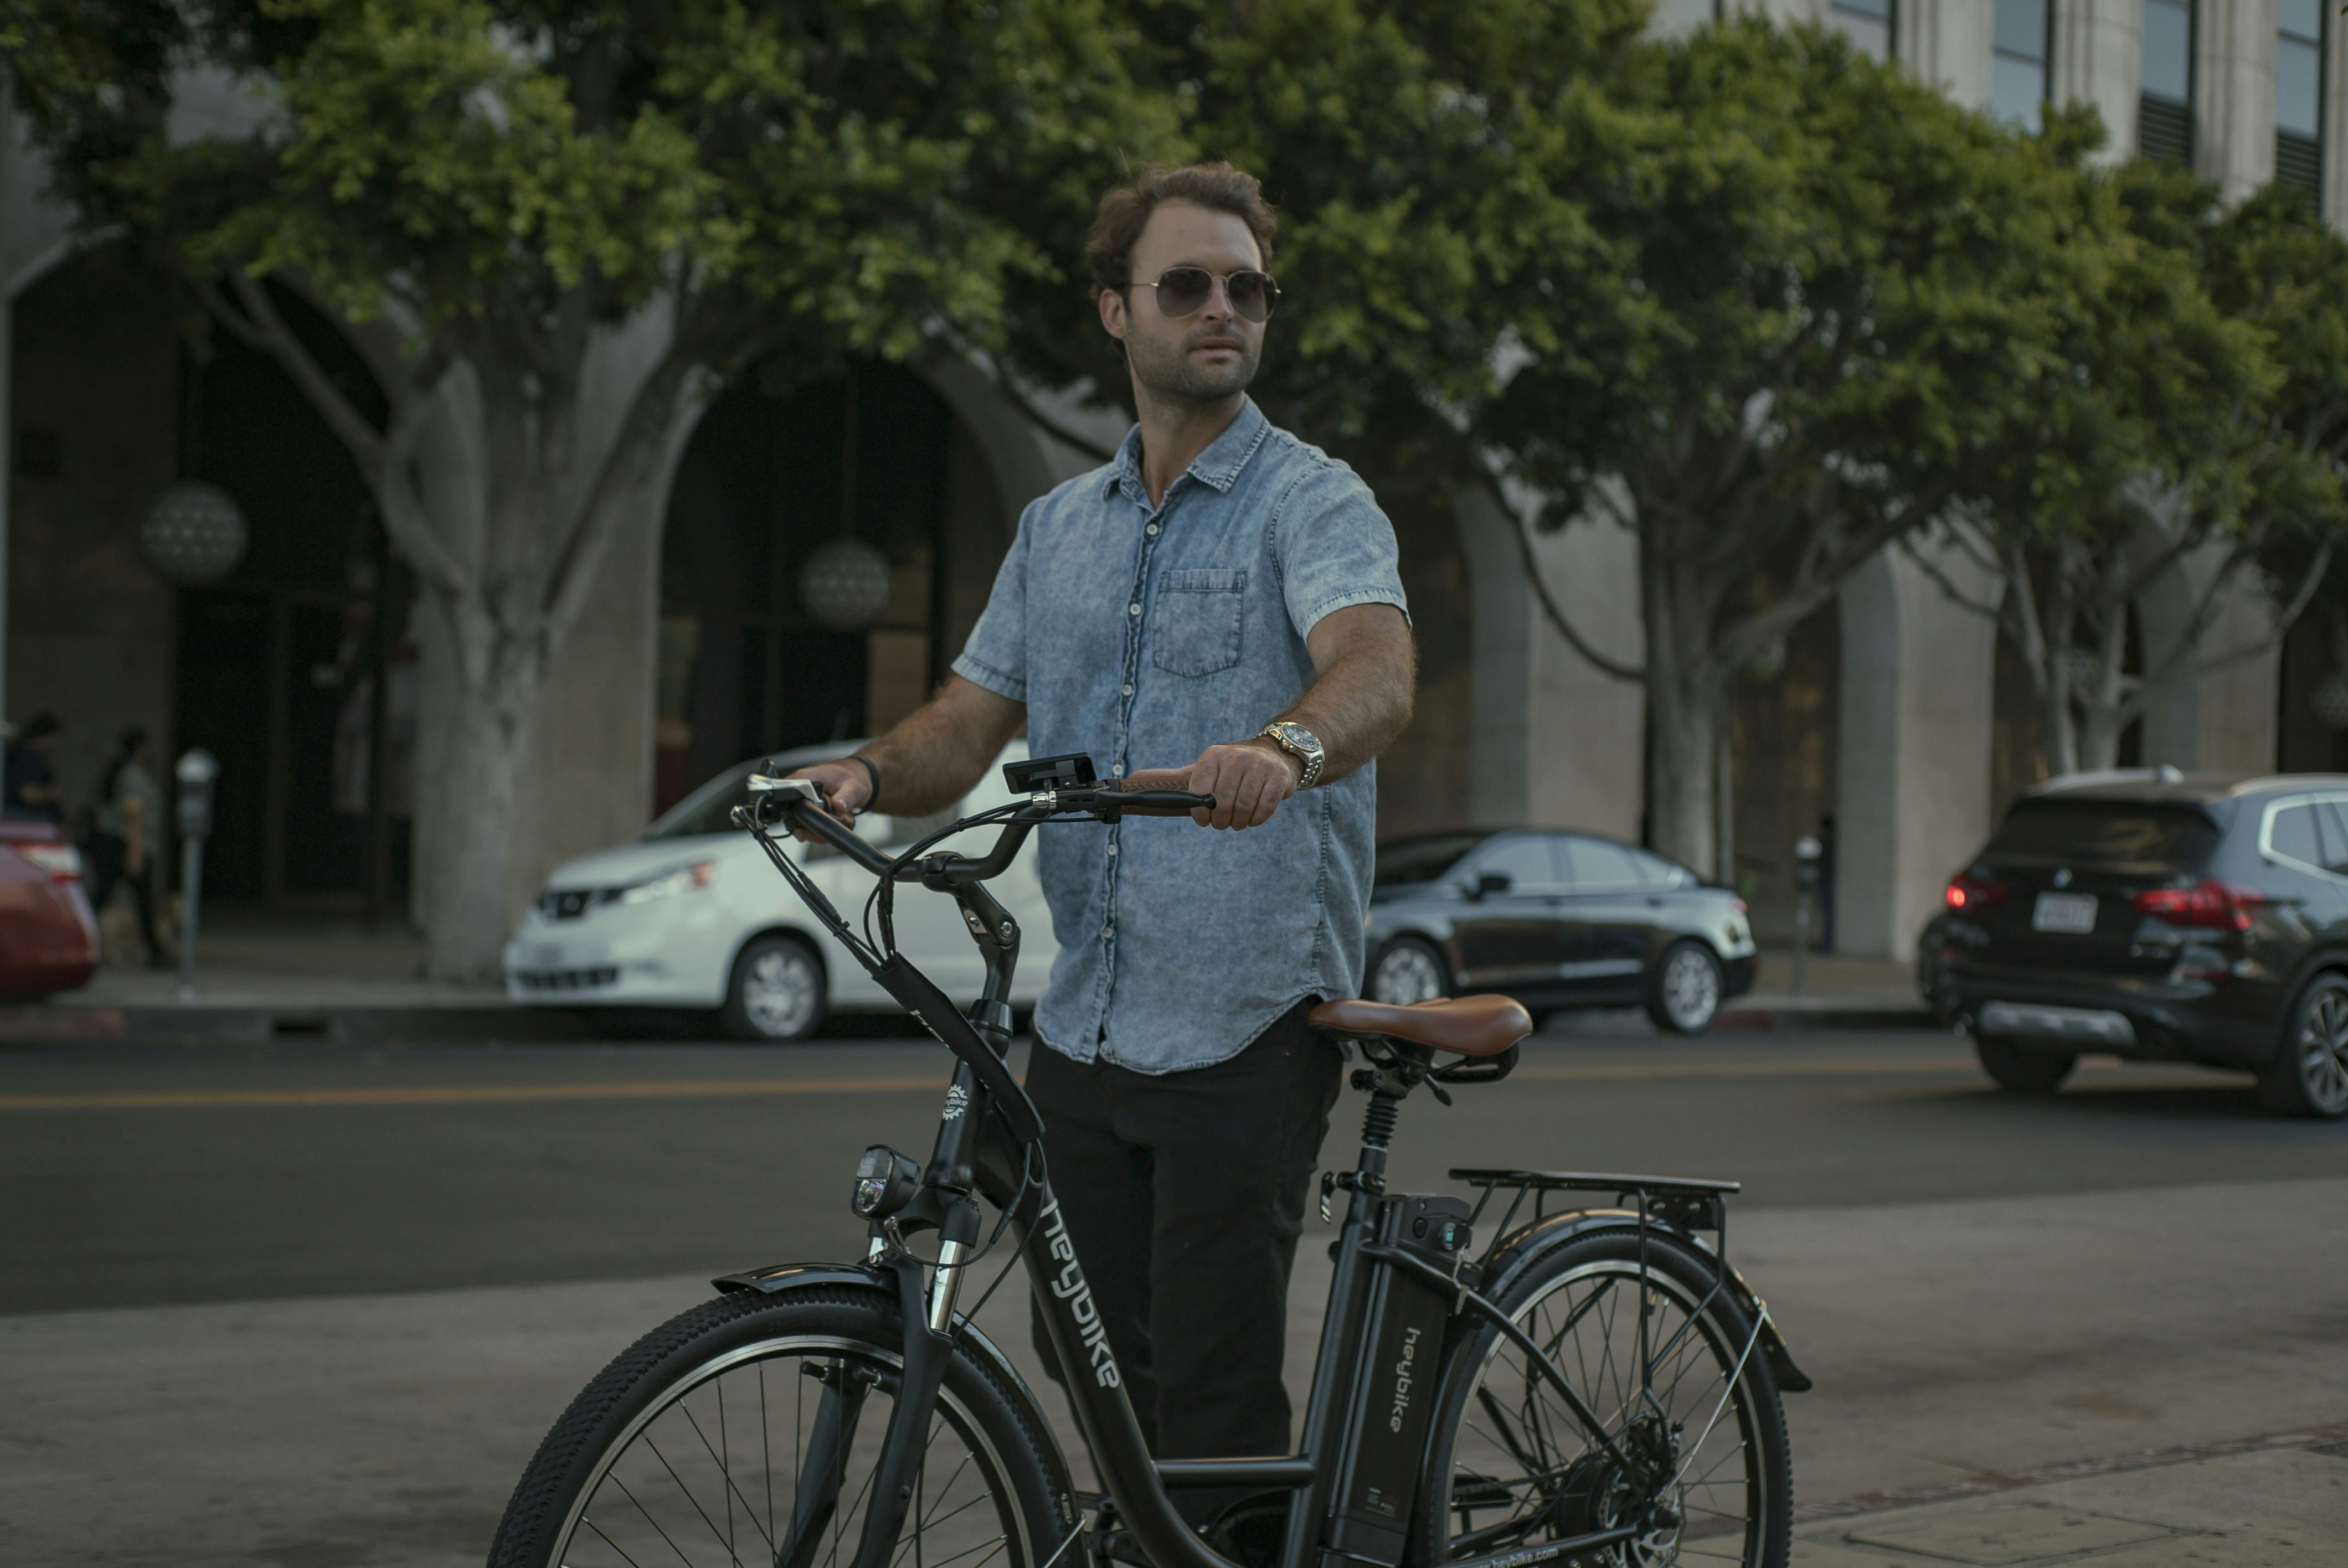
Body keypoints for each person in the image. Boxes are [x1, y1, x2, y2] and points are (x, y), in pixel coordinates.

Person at [788, 163, 1415, 1530]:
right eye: (1185, 284)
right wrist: (864, 773)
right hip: (1085, 1020)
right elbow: (967, 722)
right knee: (1092, 1371)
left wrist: (1283, 749)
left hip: (1247, 1014)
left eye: (1246, 287)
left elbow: (1373, 668)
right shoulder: (1055, 529)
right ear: (1115, 311)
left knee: (1209, 1392)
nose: (1221, 308)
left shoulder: (1311, 502)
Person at [86, 728, 169, 968]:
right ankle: (155, 951)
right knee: (139, 900)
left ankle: (155, 950)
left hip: (115, 843)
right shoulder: (133, 774)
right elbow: (134, 813)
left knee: (105, 896)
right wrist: (135, 852)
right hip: (124, 844)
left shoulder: (124, 771)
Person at [3, 711, 64, 821]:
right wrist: (51, 793)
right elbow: (29, 794)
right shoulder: (26, 757)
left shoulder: (24, 755)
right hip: (21, 816)